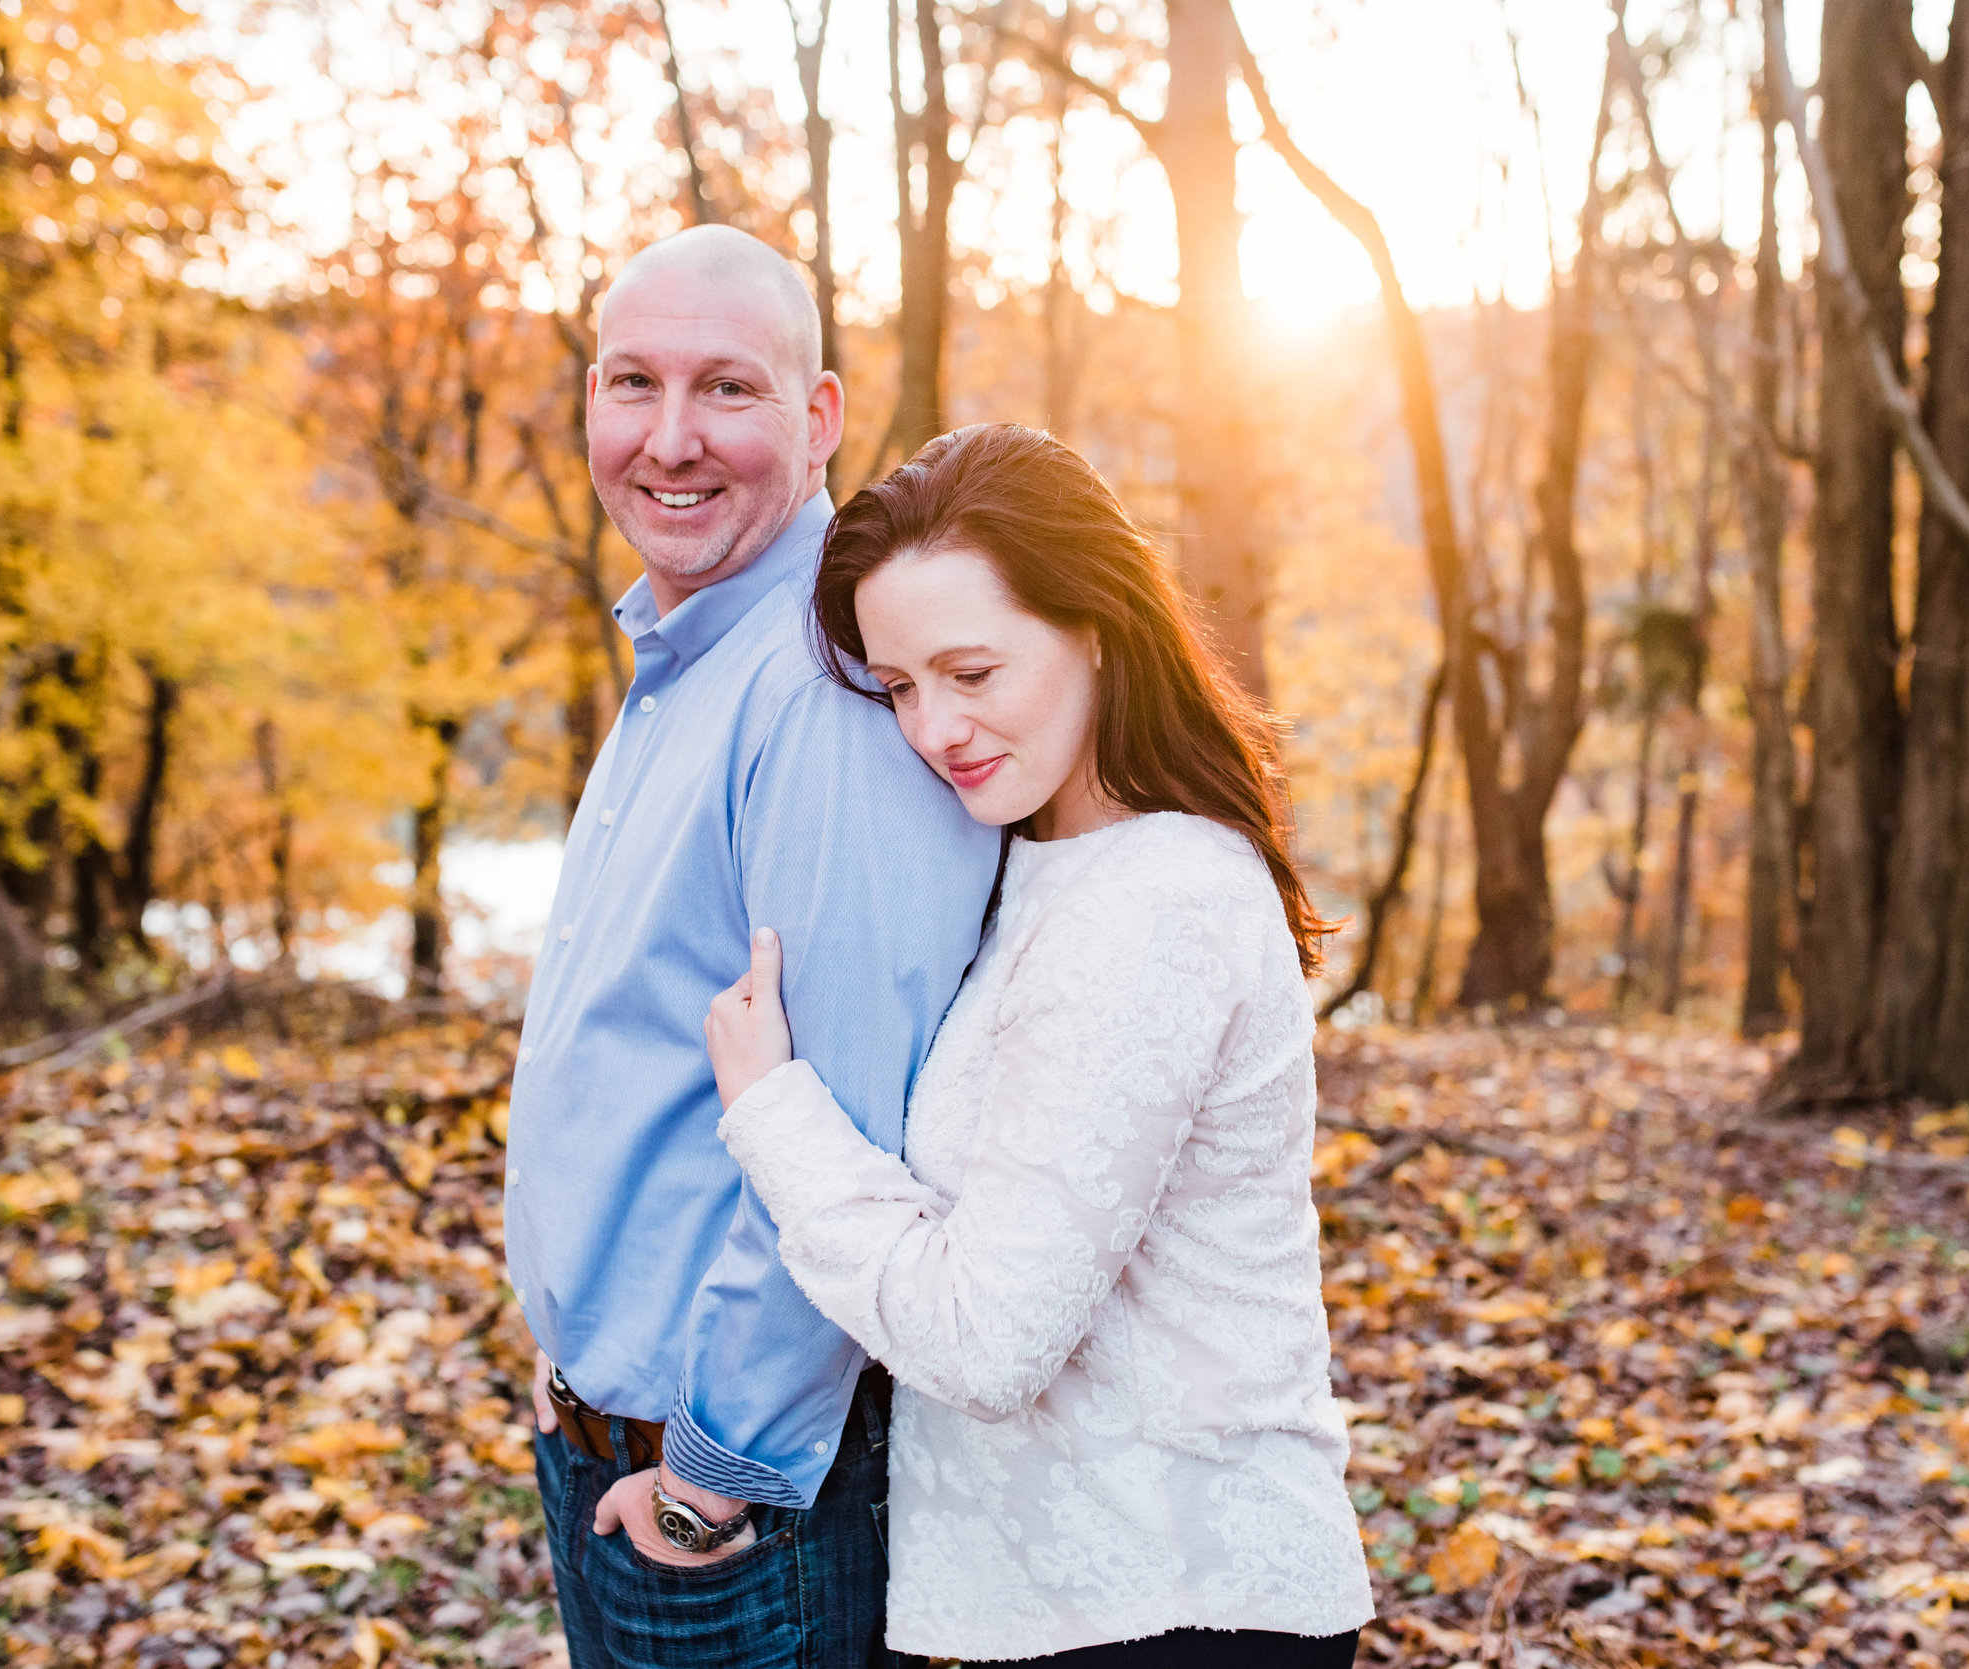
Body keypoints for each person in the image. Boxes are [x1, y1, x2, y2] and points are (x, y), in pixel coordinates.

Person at [702, 424, 1376, 1666]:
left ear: (1098, 628)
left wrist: (774, 1113)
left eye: (971, 670)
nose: (934, 727)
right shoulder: (1044, 866)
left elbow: (985, 1338)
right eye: (900, 686)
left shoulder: (1156, 901)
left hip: (1180, 1608)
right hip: (1074, 1609)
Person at [501, 226, 999, 1668]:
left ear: (820, 414)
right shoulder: (690, 654)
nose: (668, 439)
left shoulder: (819, 689)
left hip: (739, 1508)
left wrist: (712, 1479)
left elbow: (843, 1122)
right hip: (619, 1439)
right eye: (629, 383)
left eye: (726, 388)